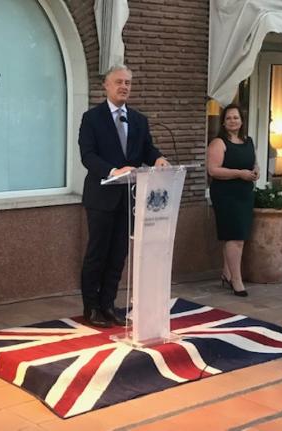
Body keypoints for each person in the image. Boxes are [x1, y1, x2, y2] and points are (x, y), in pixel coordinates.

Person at [78, 64, 169, 327]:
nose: (124, 86)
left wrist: (159, 158)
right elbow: (88, 156)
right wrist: (114, 170)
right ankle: (91, 307)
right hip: (101, 197)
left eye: (128, 82)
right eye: (118, 82)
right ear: (106, 86)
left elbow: (147, 149)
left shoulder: (139, 120)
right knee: (98, 253)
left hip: (129, 197)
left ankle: (108, 304)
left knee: (118, 254)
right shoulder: (92, 118)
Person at [207, 104, 259, 297]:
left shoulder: (248, 141)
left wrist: (256, 171)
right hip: (226, 194)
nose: (233, 121)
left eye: (236, 117)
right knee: (234, 236)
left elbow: (253, 162)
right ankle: (237, 281)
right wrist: (239, 174)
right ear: (223, 121)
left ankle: (227, 274)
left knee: (239, 237)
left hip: (244, 192)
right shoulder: (218, 143)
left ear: (242, 120)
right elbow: (213, 170)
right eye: (229, 118)